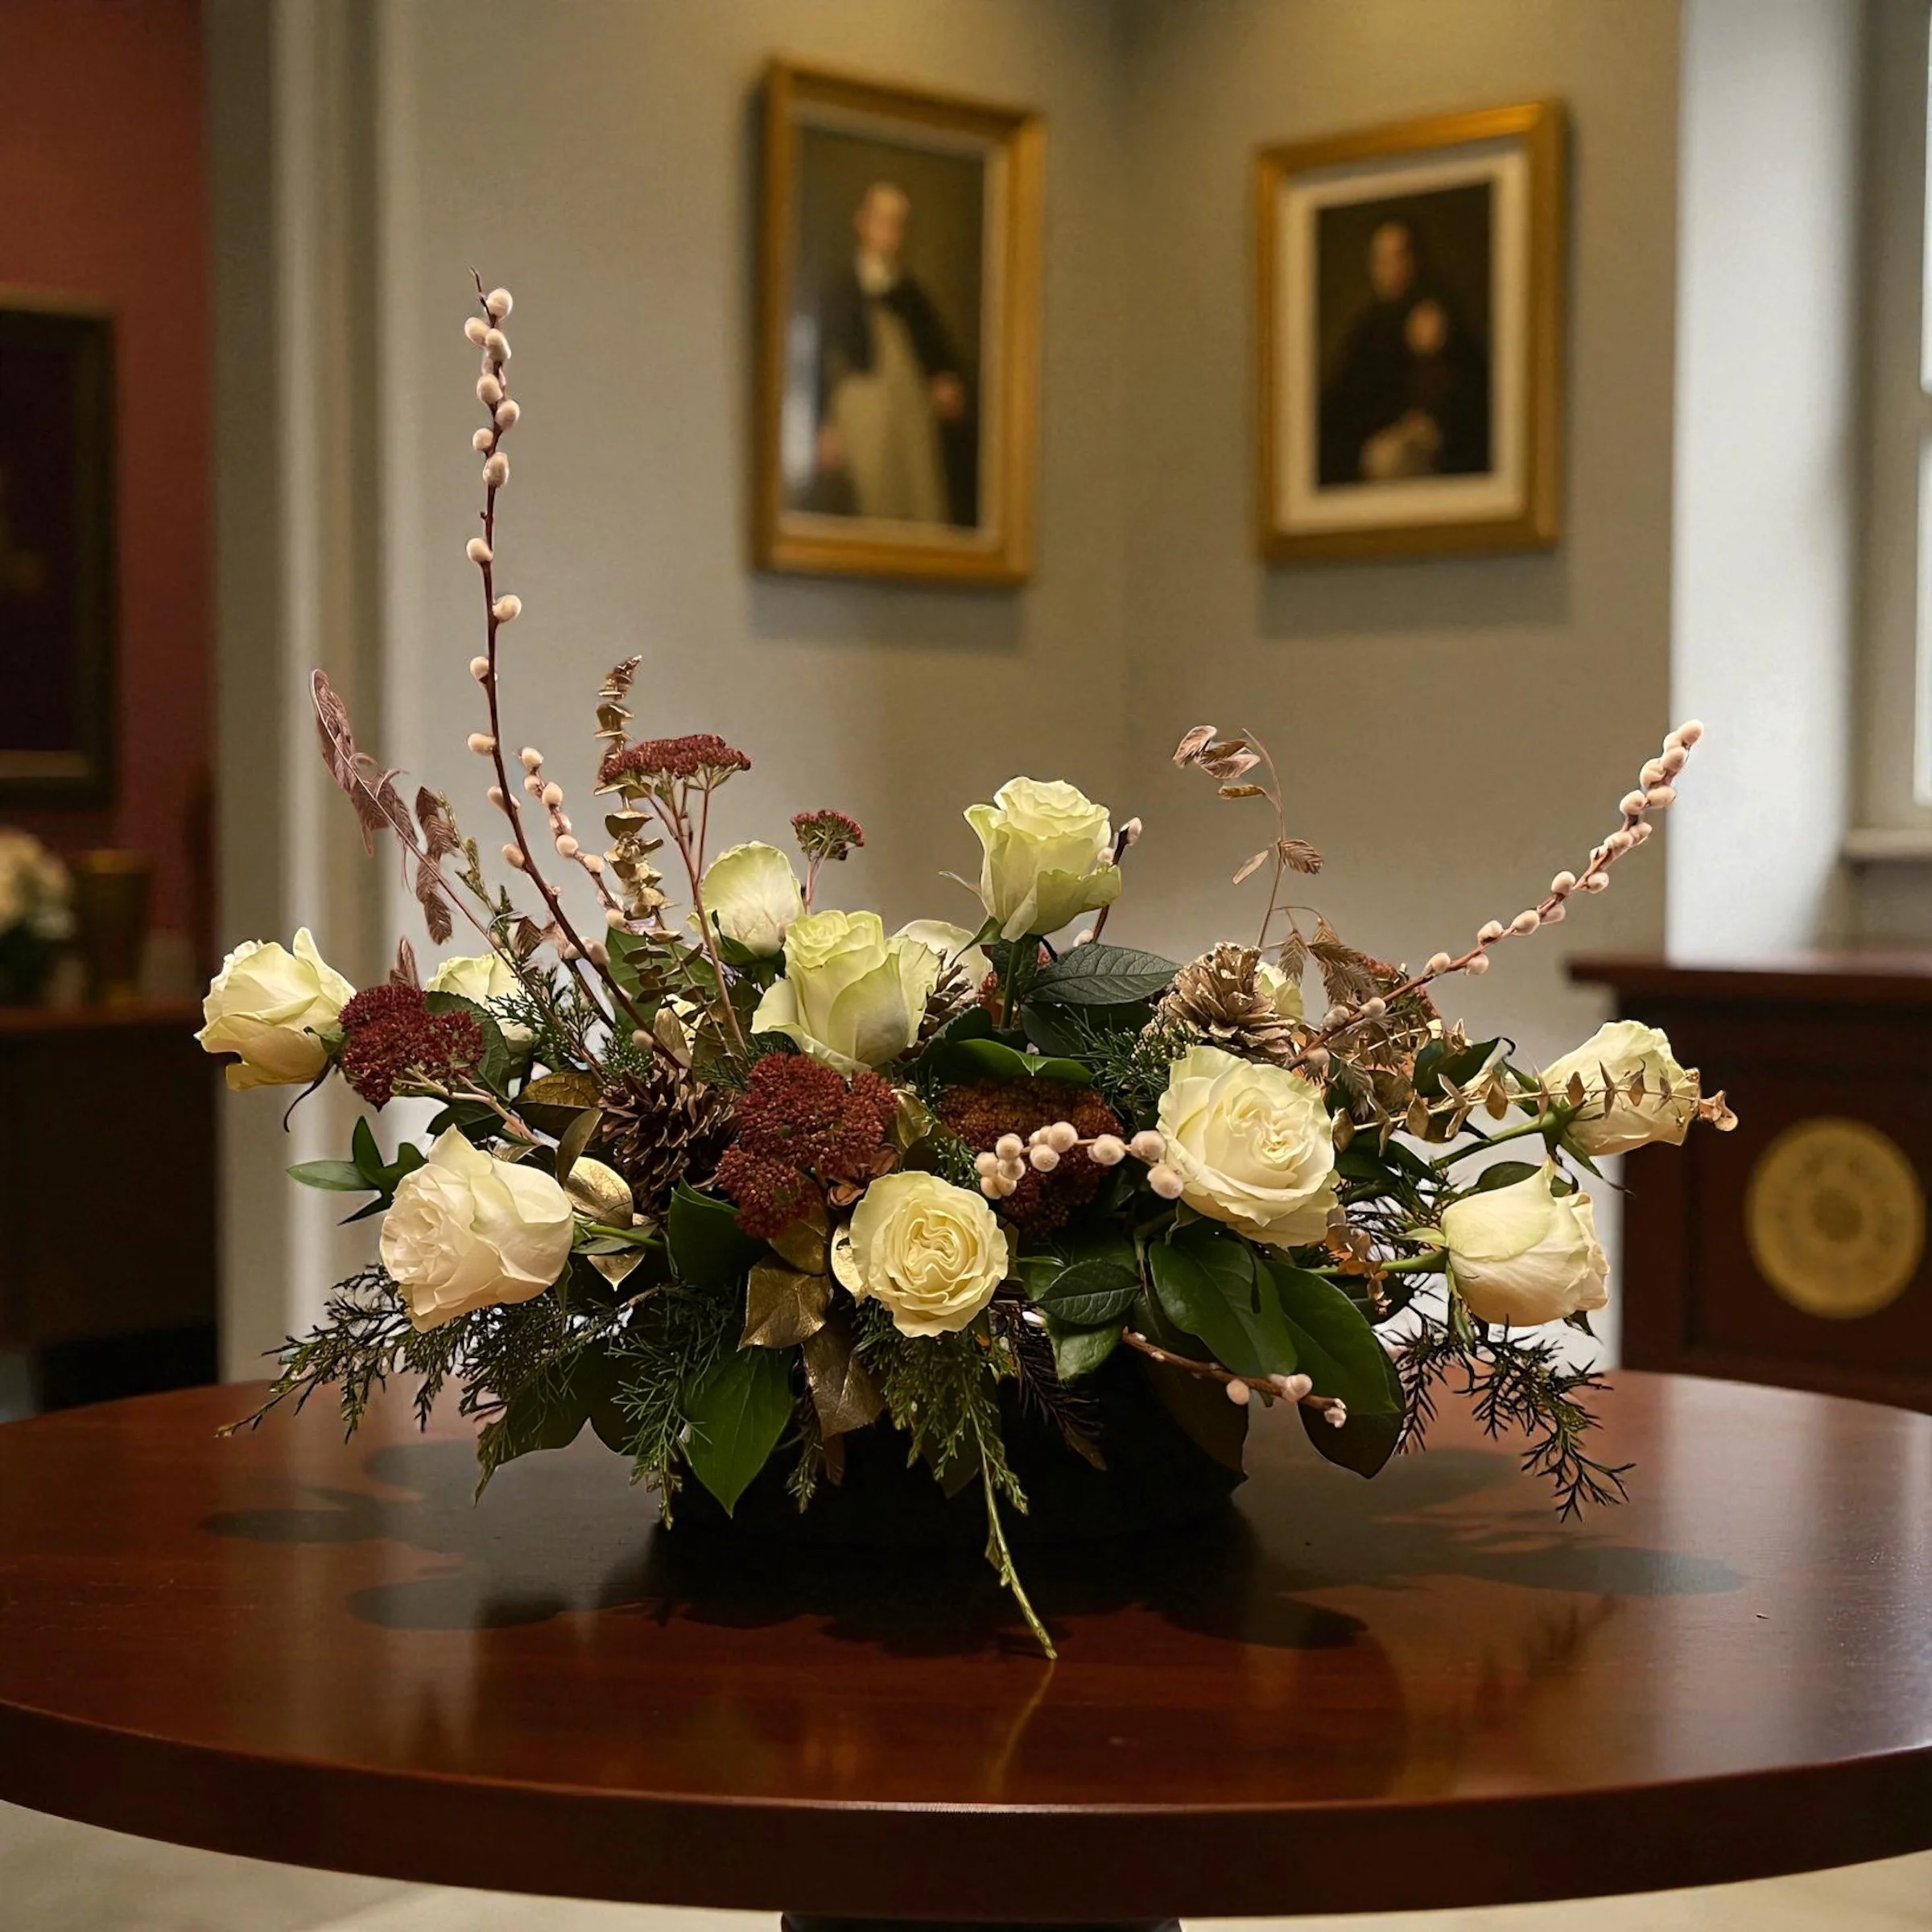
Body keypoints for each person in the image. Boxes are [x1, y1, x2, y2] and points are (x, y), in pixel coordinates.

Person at [811, 180, 974, 526]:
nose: (890, 231)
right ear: (863, 223)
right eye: (882, 220)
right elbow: (818, 360)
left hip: (907, 409)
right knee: (873, 501)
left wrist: (944, 379)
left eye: (897, 223)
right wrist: (824, 428)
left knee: (919, 497)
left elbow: (935, 347)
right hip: (862, 409)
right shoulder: (839, 288)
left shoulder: (909, 291)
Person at [1318, 217, 1490, 487]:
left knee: (1389, 460)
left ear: (1413, 260)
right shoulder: (1367, 327)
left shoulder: (1436, 311)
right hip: (1373, 434)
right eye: (1381, 260)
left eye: (1397, 258)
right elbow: (1346, 397)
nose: (1389, 269)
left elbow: (1462, 391)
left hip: (1425, 439)